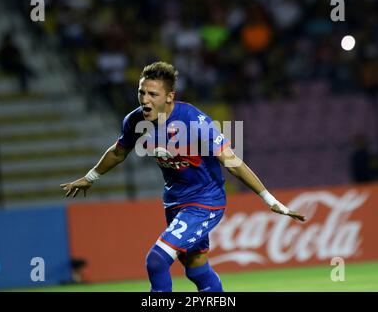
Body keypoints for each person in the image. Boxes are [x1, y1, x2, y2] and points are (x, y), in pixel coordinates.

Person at [60, 61, 305, 292]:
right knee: (196, 267)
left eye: (152, 95)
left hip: (205, 201)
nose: (145, 100)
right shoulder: (135, 120)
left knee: (156, 260)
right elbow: (118, 152)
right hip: (175, 201)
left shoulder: (195, 122)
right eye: (141, 93)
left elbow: (232, 163)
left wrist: (270, 200)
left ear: (169, 97)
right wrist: (90, 177)